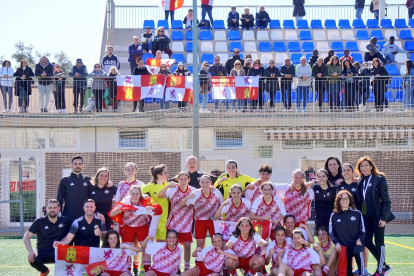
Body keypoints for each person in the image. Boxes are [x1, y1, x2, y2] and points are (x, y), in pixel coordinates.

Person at [355, 157, 394, 276]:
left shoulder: (379, 179)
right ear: (359, 168)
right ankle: (384, 265)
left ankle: (380, 270)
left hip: (378, 217)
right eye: (362, 166)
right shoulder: (361, 181)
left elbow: (386, 201)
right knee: (366, 240)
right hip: (366, 217)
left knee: (379, 242)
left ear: (371, 166)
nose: (364, 168)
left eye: (366, 165)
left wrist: (384, 218)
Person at [110, 185, 162, 275]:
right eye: (133, 193)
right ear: (129, 194)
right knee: (126, 249)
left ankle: (145, 270)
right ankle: (127, 269)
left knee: (146, 248)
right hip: (128, 227)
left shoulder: (145, 201)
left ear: (140, 194)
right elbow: (112, 213)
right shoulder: (125, 201)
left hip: (142, 226)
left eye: (137, 194)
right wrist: (117, 209)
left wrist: (152, 208)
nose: (135, 196)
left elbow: (158, 208)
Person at [23, 199, 72, 276]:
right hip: (43, 252)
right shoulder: (39, 222)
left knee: (72, 256)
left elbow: (77, 226)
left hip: (59, 253)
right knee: (32, 259)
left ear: (59, 209)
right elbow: (26, 237)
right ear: (46, 209)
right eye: (50, 208)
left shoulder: (65, 220)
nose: (52, 210)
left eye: (55, 208)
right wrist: (31, 251)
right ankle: (44, 271)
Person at [158, 172, 195, 271]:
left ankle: (186, 268)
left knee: (187, 246)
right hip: (174, 222)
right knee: (173, 246)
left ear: (189, 180)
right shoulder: (173, 189)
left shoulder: (193, 191)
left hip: (187, 223)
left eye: (185, 179)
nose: (183, 181)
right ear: (178, 180)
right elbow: (160, 195)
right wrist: (168, 186)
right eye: (181, 179)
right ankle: (174, 267)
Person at [181, 175, 224, 248]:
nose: (205, 184)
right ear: (200, 183)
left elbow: (222, 204)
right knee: (200, 244)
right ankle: (201, 259)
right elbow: (181, 204)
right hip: (200, 221)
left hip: (214, 221)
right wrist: (187, 197)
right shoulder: (196, 193)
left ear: (210, 183)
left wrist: (220, 216)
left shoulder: (216, 192)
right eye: (203, 182)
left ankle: (216, 258)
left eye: (207, 182)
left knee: (217, 243)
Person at [329, 190, 365, 276]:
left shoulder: (357, 213)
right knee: (347, 273)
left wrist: (360, 240)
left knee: (357, 251)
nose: (344, 201)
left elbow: (362, 231)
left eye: (346, 198)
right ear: (338, 201)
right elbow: (331, 232)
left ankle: (362, 273)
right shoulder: (334, 215)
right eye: (342, 199)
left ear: (350, 200)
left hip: (356, 244)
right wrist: (337, 243)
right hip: (344, 247)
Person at [57, 156, 92, 220]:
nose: (77, 166)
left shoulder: (88, 180)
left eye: (80, 164)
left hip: (85, 217)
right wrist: (59, 214)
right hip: (68, 216)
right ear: (71, 165)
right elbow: (59, 199)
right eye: (75, 164)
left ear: (83, 165)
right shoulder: (65, 180)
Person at [141, 164, 170, 241]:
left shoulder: (168, 185)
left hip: (163, 220)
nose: (168, 175)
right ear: (159, 175)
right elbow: (136, 194)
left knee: (159, 245)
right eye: (165, 173)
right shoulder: (150, 186)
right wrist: (143, 196)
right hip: (151, 220)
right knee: (148, 244)